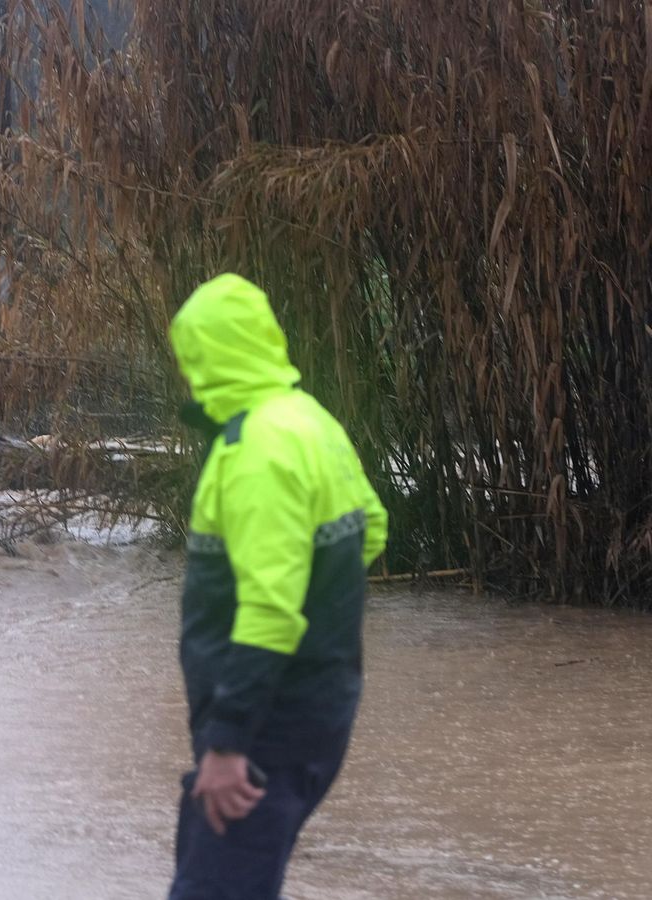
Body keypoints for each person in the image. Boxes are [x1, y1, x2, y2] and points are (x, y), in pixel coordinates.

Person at [166, 273, 388, 899]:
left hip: (265, 729)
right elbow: (372, 528)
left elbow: (268, 609)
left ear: (208, 357)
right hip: (321, 707)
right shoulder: (312, 422)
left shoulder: (257, 449)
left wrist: (230, 742)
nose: (186, 376)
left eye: (190, 359)